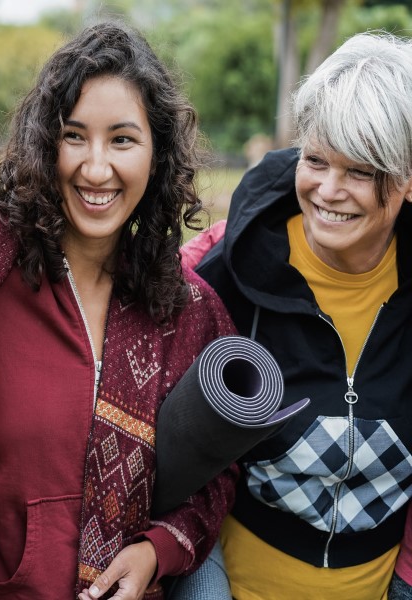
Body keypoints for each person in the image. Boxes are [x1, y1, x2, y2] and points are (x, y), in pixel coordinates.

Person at [0, 21, 237, 599]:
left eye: (122, 140)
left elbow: (217, 474)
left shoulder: (189, 309)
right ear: (45, 141)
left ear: (158, 153)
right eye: (75, 136)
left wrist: (158, 549)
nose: (96, 168)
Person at [194, 31, 412, 600]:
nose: (328, 191)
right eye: (315, 160)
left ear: (408, 177)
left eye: (360, 172)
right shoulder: (229, 273)